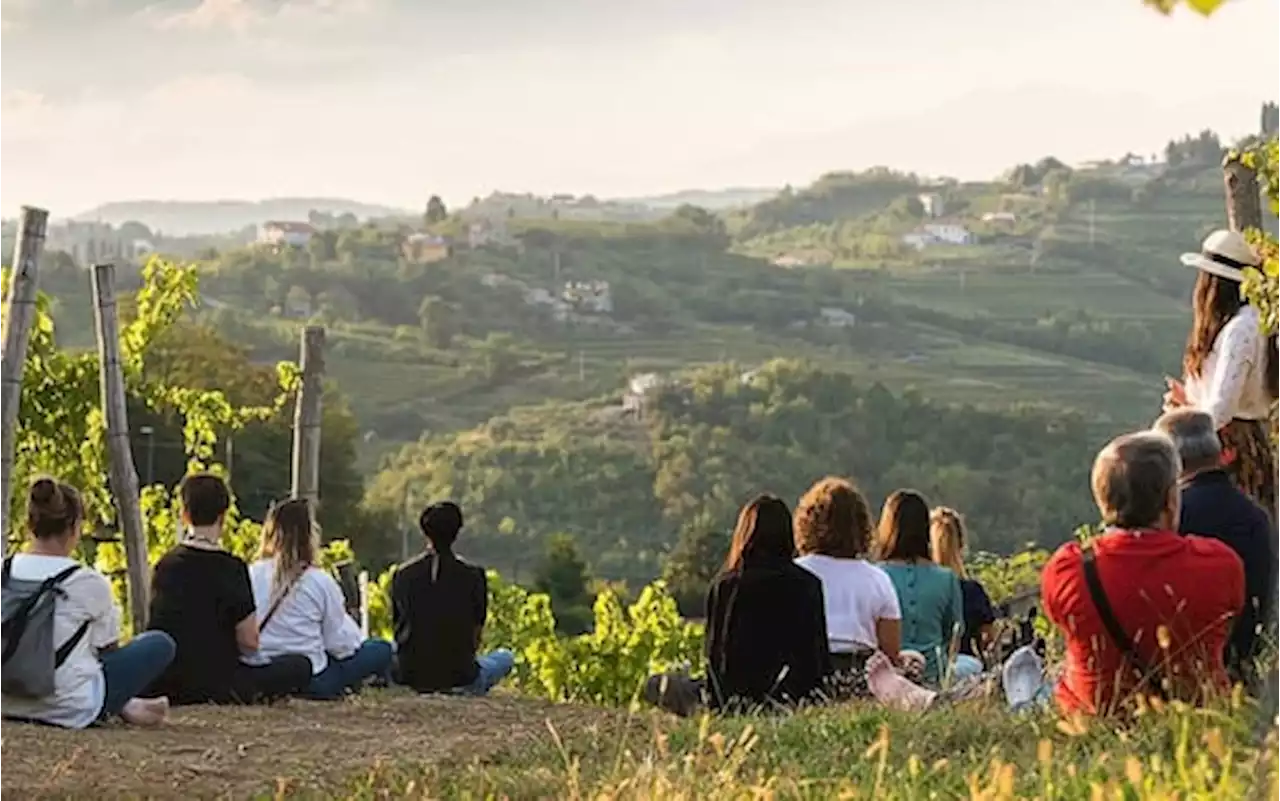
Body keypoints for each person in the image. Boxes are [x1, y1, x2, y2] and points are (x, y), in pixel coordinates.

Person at [1041, 431, 1245, 716]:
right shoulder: (1219, 563)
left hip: (1095, 726)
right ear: (1171, 500)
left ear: (1102, 500)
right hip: (1199, 722)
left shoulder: (1065, 569)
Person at [0, 478, 173, 728]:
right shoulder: (88, 582)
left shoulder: (4, 571)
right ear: (74, 527)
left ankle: (128, 704)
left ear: (29, 523)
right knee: (158, 644)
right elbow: (107, 652)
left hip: (4, 700)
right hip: (67, 708)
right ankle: (124, 704)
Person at [146, 474, 311, 705]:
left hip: (172, 682)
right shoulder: (232, 568)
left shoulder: (165, 565)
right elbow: (249, 641)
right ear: (223, 516)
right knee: (299, 666)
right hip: (221, 683)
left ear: (184, 515)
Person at [1154, 409, 1273, 687]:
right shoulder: (1256, 516)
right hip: (1243, 669)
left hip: (1183, 676)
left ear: (1171, 462)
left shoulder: (1170, 515)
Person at [1166, 229, 1280, 518]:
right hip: (1233, 440)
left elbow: (1222, 407)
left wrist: (1188, 414)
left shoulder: (1240, 330)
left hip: (1229, 447)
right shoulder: (1244, 324)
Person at [248, 499, 393, 700]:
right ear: (310, 536)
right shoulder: (319, 581)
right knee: (382, 648)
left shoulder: (252, 574)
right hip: (312, 680)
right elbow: (340, 645)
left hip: (265, 670)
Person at [703, 495, 831, 711]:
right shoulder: (807, 584)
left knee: (657, 684)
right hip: (789, 699)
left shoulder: (724, 586)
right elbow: (815, 658)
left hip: (731, 700)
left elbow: (713, 657)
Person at [793, 476, 902, 697]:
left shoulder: (795, 573)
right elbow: (891, 652)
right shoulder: (877, 579)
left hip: (806, 674)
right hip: (861, 675)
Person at [392, 501, 513, 695]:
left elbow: (398, 628)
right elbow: (476, 634)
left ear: (424, 531)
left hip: (409, 675)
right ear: (457, 532)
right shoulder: (474, 576)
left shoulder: (403, 575)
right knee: (505, 657)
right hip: (461, 676)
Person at [873, 490, 963, 687]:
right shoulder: (946, 578)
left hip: (887, 680)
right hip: (934, 679)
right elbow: (954, 634)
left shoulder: (875, 576)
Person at [930, 507, 995, 681]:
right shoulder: (973, 591)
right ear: (961, 544)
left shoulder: (923, 589)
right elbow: (988, 641)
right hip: (965, 667)